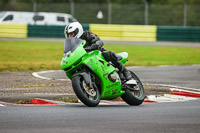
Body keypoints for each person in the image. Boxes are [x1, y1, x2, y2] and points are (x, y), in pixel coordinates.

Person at [64, 22, 132, 81]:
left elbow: (98, 40)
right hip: (85, 57)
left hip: (97, 53)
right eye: (68, 34)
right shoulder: (72, 43)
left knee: (109, 54)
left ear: (77, 31)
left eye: (71, 34)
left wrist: (95, 45)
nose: (70, 36)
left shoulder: (87, 34)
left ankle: (125, 71)